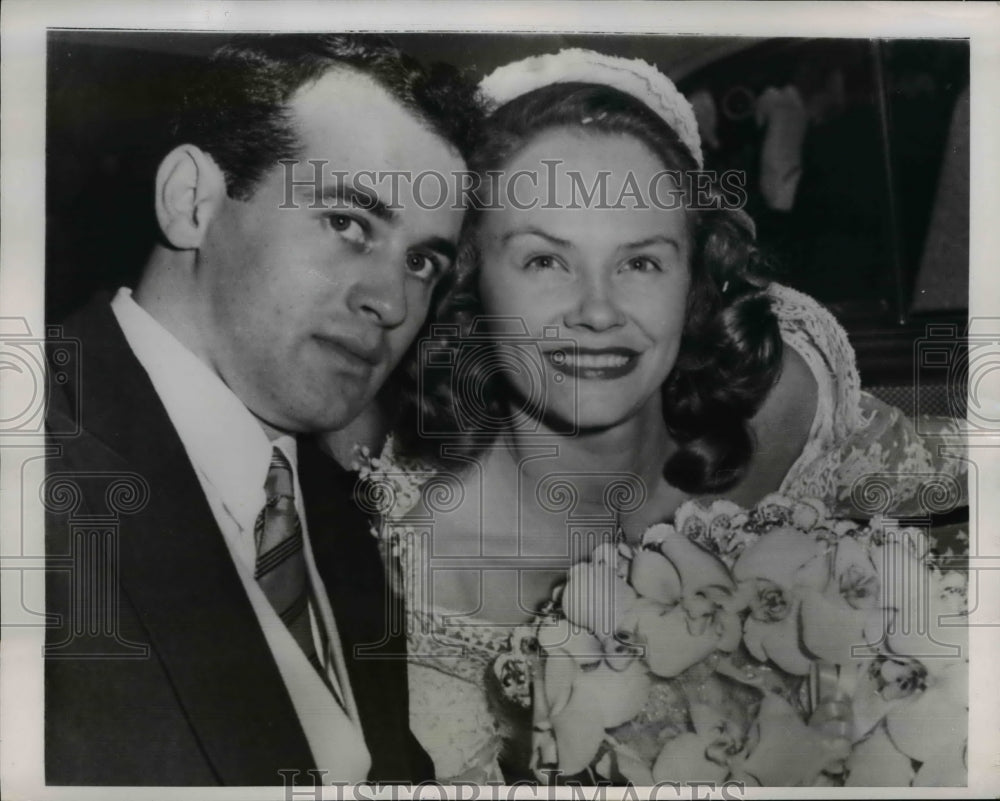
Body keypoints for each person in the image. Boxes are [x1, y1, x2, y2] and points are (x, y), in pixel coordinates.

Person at [354, 49, 967, 782]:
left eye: (641, 262)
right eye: (545, 261)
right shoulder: (422, 574)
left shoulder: (781, 411)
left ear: (695, 280)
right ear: (469, 278)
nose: (598, 312)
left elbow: (958, 493)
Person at [43, 34, 483, 785]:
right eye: (349, 222)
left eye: (422, 261)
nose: (391, 300)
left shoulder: (342, 528)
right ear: (192, 201)